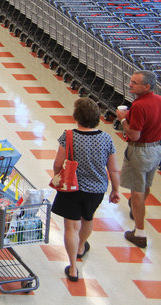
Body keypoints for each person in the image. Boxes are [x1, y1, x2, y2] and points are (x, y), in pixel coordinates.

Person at [50, 98, 120, 282]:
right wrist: (115, 190)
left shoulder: (69, 136)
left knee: (71, 227)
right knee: (88, 218)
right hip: (96, 189)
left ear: (76, 117)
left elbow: (58, 163)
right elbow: (113, 169)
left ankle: (73, 268)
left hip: (72, 187)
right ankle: (81, 246)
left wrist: (57, 176)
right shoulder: (106, 138)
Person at [117, 70, 161, 248]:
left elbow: (134, 135)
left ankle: (139, 233)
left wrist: (123, 120)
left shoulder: (139, 105)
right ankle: (137, 207)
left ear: (147, 86)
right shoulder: (158, 100)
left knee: (136, 191)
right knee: (146, 184)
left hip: (139, 151)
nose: (130, 84)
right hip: (155, 149)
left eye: (135, 82)